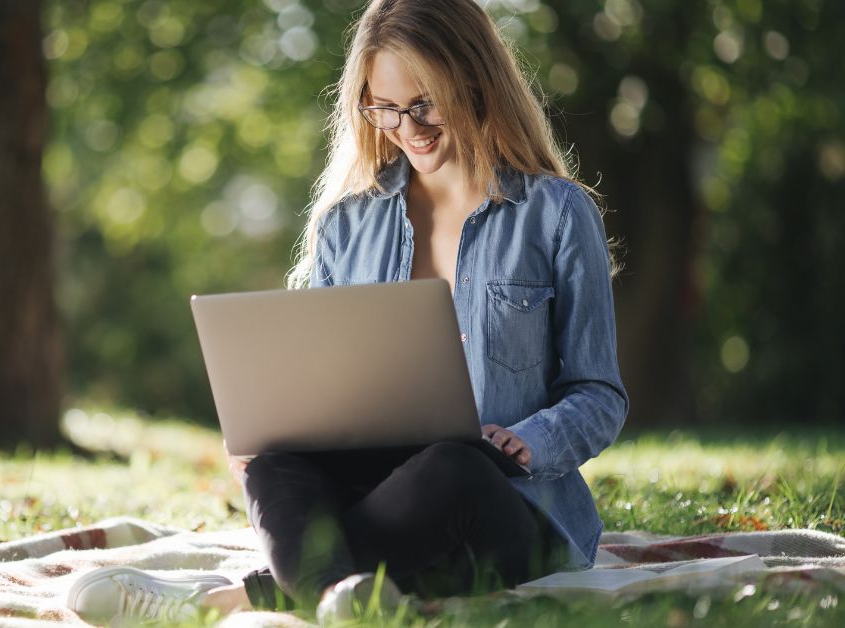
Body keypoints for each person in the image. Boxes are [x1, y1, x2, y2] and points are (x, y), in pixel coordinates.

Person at [66, 0, 628, 624]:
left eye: (425, 103)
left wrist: (526, 441)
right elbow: (317, 389)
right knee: (276, 465)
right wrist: (268, 432)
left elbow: (598, 394)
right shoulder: (347, 222)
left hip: (506, 507)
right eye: (386, 108)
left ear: (476, 81)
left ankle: (228, 599)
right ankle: (346, 599)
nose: (408, 127)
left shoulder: (556, 213)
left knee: (452, 462)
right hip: (379, 503)